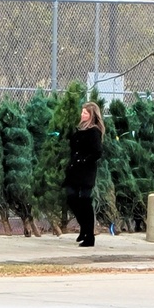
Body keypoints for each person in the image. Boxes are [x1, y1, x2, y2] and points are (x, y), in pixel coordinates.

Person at [64, 102, 104, 247]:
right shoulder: (80, 130)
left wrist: (83, 160)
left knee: (85, 201)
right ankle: (84, 228)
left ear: (92, 116)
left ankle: (89, 236)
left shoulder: (94, 132)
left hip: (86, 171)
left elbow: (97, 152)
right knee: (71, 198)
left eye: (86, 113)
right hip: (75, 170)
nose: (82, 115)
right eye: (82, 112)